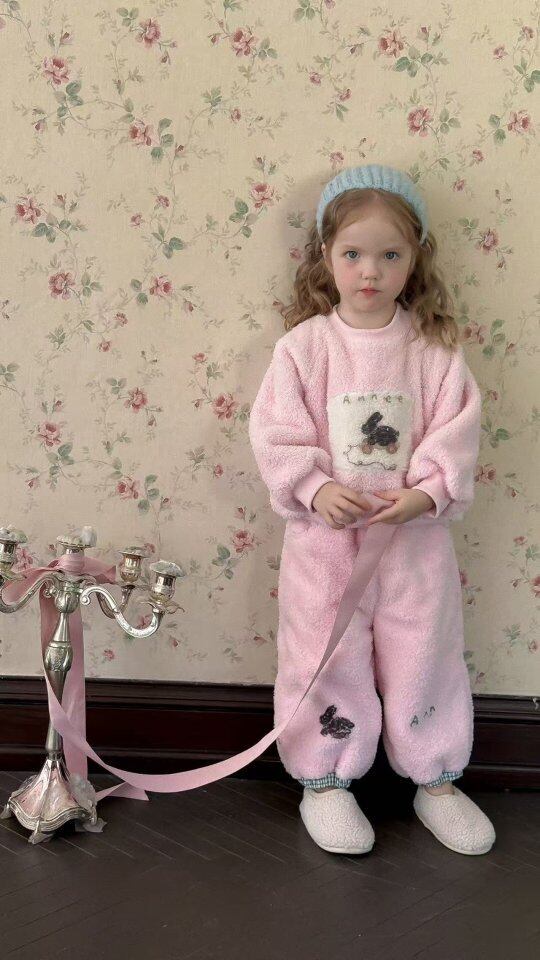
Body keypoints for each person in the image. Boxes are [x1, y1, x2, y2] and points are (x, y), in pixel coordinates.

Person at [248, 163, 496, 857]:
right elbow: (275, 433)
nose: (370, 271)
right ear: (325, 255)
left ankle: (436, 778)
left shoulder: (432, 350)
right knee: (323, 655)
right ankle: (326, 781)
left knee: (425, 650)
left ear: (414, 259)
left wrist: (427, 491)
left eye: (390, 255)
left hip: (414, 544)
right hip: (325, 546)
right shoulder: (304, 349)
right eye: (353, 253)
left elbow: (457, 428)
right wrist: (314, 487)